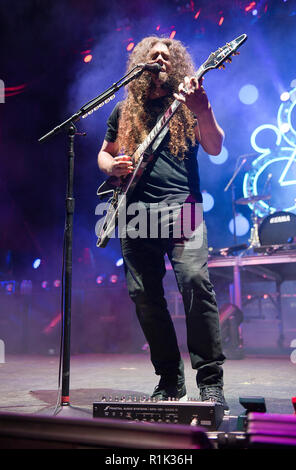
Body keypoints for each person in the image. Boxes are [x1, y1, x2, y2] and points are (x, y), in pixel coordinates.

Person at [97, 36, 228, 408]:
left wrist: (203, 110)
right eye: (152, 55)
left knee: (195, 283)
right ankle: (170, 379)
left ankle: (210, 382)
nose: (159, 59)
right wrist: (113, 166)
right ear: (141, 63)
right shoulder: (124, 111)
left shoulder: (188, 102)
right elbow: (103, 156)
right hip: (135, 212)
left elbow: (215, 147)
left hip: (183, 209)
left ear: (179, 65)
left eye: (167, 56)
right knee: (144, 296)